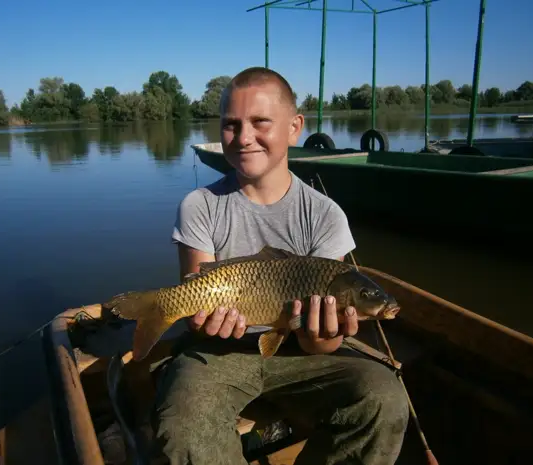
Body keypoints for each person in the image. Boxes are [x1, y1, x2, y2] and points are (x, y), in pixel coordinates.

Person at [150, 66, 409, 465]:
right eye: (231, 125)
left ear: (294, 127)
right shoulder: (199, 206)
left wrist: (325, 335)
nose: (244, 137)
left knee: (385, 396)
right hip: (217, 355)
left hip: (301, 354)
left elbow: (318, 345)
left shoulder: (325, 215)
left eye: (260, 122)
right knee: (184, 419)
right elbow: (194, 309)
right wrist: (199, 322)